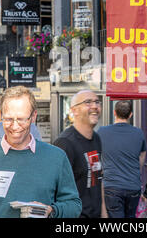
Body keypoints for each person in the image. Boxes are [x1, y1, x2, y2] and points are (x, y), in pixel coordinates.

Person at [0, 86, 81, 218]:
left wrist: (51, 211)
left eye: (21, 119)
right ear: (1, 116)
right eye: (8, 119)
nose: (14, 126)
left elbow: (74, 205)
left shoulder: (56, 157)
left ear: (33, 117)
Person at [54, 90, 105, 218]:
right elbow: (53, 188)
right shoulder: (65, 143)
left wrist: (104, 213)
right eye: (88, 102)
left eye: (97, 102)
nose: (94, 106)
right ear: (74, 110)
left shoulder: (97, 139)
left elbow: (99, 179)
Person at [97, 100, 147, 218]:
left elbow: (97, 156)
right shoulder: (139, 133)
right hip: (133, 186)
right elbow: (142, 155)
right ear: (130, 115)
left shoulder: (102, 132)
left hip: (111, 186)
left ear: (114, 113)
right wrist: (134, 169)